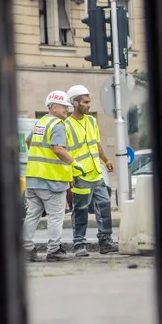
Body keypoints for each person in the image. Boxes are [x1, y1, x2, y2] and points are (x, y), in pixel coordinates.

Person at [21, 90, 75, 262]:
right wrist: (74, 163)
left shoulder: (41, 122)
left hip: (33, 178)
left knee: (32, 214)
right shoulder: (58, 125)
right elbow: (58, 149)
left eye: (68, 106)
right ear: (53, 107)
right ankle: (54, 250)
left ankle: (26, 247)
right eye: (64, 106)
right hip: (51, 180)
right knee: (56, 216)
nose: (67, 109)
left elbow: (28, 142)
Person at [64, 85, 117, 257]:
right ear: (75, 103)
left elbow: (96, 144)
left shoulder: (92, 121)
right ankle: (79, 244)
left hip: (96, 172)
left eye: (89, 102)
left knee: (104, 205)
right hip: (80, 175)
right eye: (85, 102)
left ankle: (105, 242)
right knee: (80, 209)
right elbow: (65, 152)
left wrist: (106, 160)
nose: (88, 105)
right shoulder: (66, 125)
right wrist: (70, 175)